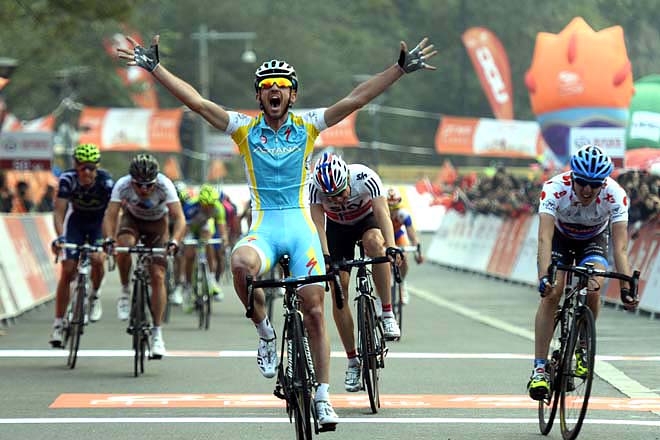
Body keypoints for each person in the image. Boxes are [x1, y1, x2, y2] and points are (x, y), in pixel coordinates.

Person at [118, 33, 436, 428]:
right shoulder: (243, 129)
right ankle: (265, 331)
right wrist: (155, 68)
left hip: (301, 228)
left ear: (293, 96)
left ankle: (322, 396)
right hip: (265, 227)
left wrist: (398, 70)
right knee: (239, 263)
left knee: (315, 310)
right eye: (267, 87)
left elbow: (355, 99)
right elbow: (196, 102)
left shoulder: (307, 126)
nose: (274, 91)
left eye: (281, 87)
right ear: (259, 97)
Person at [527, 144, 637, 400]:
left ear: (603, 183)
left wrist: (626, 287)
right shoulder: (554, 188)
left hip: (593, 240)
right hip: (560, 239)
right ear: (573, 177)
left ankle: (582, 347)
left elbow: (620, 248)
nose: (588, 189)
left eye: (595, 184)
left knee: (594, 286)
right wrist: (544, 276)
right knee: (552, 293)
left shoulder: (615, 194)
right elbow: (544, 238)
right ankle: (540, 369)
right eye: (583, 182)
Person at [309, 152, 403, 392]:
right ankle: (352, 361)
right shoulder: (314, 188)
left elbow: (382, 213)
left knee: (376, 244)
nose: (338, 200)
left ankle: (387, 312)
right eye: (331, 197)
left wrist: (391, 247)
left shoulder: (364, 177)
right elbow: (318, 225)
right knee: (337, 286)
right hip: (337, 230)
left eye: (341, 193)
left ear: (348, 182)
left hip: (365, 221)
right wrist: (327, 257)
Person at [102, 154, 185, 359]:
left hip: (158, 225)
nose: (145, 190)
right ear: (132, 181)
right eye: (139, 185)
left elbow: (180, 218)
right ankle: (124, 291)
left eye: (149, 185)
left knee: (157, 275)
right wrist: (109, 239)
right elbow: (110, 215)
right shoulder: (122, 185)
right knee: (125, 245)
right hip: (132, 221)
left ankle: (157, 332)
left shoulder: (165, 185)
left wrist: (174, 241)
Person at [49, 144, 114, 347]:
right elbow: (59, 212)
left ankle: (94, 295)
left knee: (97, 260)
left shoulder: (106, 182)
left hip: (98, 223)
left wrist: (108, 239)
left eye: (91, 167)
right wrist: (60, 238)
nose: (87, 172)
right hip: (76, 222)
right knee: (67, 270)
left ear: (97, 167)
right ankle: (58, 324)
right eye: (82, 167)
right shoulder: (67, 179)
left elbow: (112, 213)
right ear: (75, 166)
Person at [181, 184, 228, 310]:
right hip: (191, 228)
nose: (208, 208)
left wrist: (224, 239)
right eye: (205, 205)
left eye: (210, 205)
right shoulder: (190, 205)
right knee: (189, 255)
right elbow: (184, 227)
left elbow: (221, 226)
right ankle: (188, 286)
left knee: (208, 244)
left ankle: (211, 279)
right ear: (200, 202)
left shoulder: (218, 207)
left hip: (205, 227)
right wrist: (182, 241)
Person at [386, 187, 424, 304]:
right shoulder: (379, 211)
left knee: (404, 257)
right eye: (389, 207)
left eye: (395, 208)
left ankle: (402, 282)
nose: (392, 212)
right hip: (385, 237)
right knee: (382, 260)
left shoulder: (403, 214)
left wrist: (417, 252)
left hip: (398, 236)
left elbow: (412, 235)